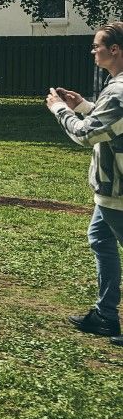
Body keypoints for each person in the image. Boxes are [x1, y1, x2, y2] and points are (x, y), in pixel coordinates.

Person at [48, 23, 123, 344]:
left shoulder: (119, 91)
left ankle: (106, 315)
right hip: (109, 189)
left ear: (115, 49)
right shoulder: (116, 88)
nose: (93, 51)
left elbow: (86, 134)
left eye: (97, 46)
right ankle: (106, 315)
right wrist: (82, 106)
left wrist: (61, 110)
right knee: (99, 238)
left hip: (117, 190)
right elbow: (110, 124)